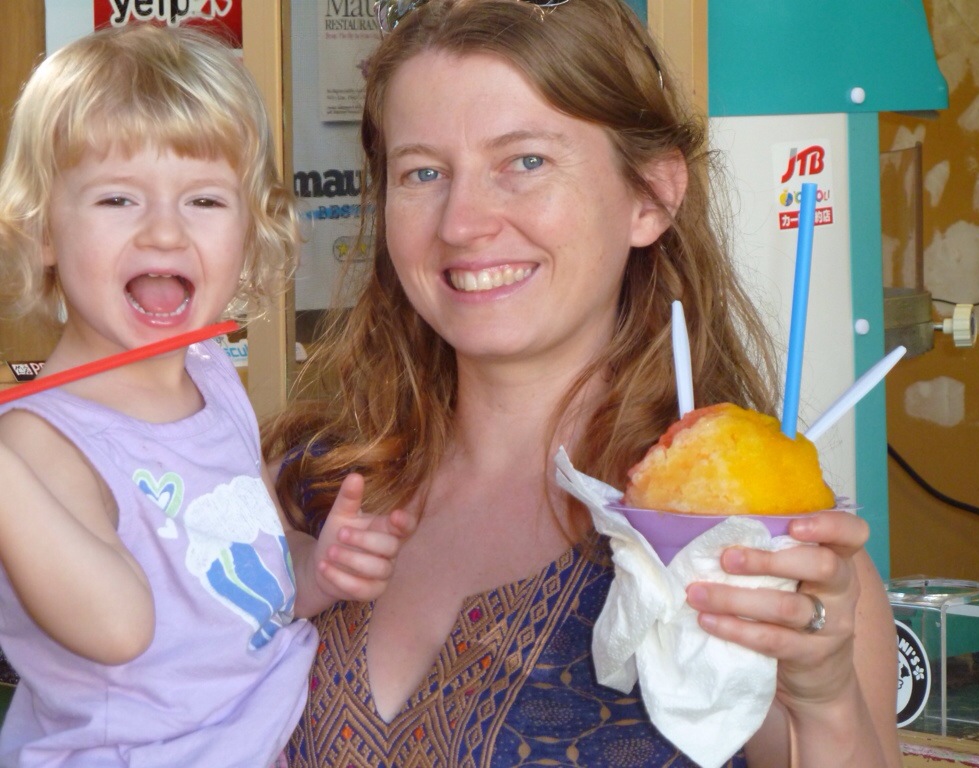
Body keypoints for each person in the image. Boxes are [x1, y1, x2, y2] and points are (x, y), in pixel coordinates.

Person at [265, 1, 902, 766]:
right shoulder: (299, 493)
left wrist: (822, 699)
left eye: (525, 162)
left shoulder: (759, 551)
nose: (462, 223)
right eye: (423, 172)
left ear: (652, 196)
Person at [0, 24, 413, 767]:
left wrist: (316, 568)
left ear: (251, 231)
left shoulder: (211, 375)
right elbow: (118, 628)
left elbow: (245, 579)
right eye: (118, 198)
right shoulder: (38, 443)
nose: (164, 232)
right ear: (42, 231)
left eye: (204, 200)